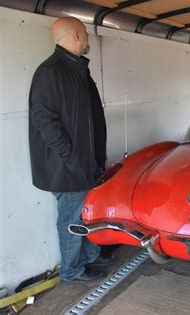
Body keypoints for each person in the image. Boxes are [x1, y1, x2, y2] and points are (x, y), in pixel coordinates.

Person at [29, 17, 114, 282]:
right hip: (67, 167)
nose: (88, 37)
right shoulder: (52, 71)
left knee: (85, 213)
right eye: (86, 32)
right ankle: (72, 270)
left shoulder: (76, 68)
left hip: (83, 163)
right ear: (76, 36)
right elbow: (44, 119)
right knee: (71, 218)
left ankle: (90, 256)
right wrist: (72, 155)